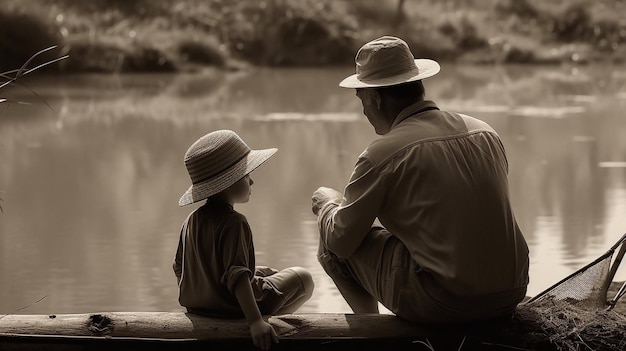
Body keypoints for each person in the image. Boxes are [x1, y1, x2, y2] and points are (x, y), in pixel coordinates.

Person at [311, 36, 529, 324]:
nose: (363, 110)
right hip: (511, 292)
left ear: (375, 98)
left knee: (332, 238)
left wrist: (327, 204)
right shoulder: (485, 132)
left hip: (446, 301)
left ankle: (369, 330)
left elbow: (341, 242)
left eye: (361, 99)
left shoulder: (381, 154)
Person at [174, 129, 314, 350]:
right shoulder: (235, 222)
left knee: (268, 272)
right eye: (247, 175)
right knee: (304, 278)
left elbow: (180, 267)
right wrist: (255, 321)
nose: (252, 182)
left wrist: (204, 294)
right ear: (229, 182)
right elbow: (237, 276)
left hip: (198, 307)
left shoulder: (191, 220)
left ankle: (261, 313)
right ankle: (266, 325)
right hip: (233, 308)